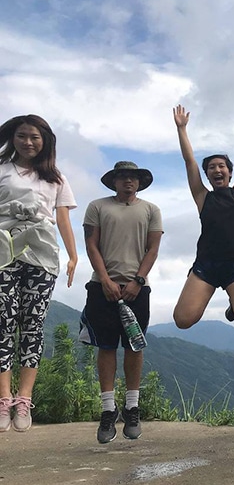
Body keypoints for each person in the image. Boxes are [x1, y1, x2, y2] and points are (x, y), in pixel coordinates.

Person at [0, 115, 78, 432]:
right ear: (12, 137)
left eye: (35, 137)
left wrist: (73, 256)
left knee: (33, 324)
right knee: (3, 322)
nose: (29, 142)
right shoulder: (2, 168)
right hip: (3, 253)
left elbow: (62, 220)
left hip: (42, 257)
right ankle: (4, 400)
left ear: (45, 141)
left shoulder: (55, 177)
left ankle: (23, 399)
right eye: (22, 135)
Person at [79, 161, 163, 443]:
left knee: (134, 345)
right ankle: (107, 409)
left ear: (140, 182)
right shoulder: (97, 206)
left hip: (138, 288)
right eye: (123, 177)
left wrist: (138, 281)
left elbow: (153, 248)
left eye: (133, 177)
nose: (128, 181)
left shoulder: (151, 210)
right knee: (105, 346)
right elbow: (91, 244)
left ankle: (132, 406)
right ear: (113, 181)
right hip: (101, 286)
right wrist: (105, 280)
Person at [172, 104, 234, 329]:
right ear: (208, 175)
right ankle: (204, 291)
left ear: (230, 172)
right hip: (207, 265)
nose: (217, 170)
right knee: (182, 320)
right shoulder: (202, 196)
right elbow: (189, 162)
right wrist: (182, 129)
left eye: (221, 166)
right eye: (211, 167)